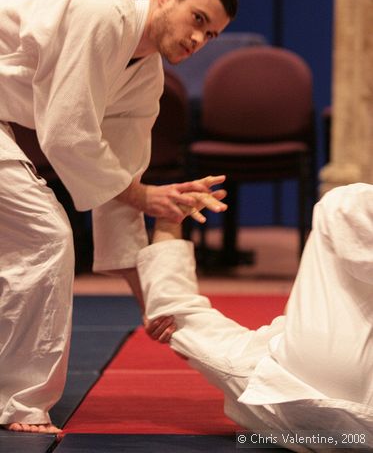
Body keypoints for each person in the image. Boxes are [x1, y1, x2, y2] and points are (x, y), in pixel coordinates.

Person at [0, 0, 238, 433]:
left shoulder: (145, 79)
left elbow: (119, 192)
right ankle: (19, 402)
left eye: (210, 35)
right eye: (197, 19)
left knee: (35, 238)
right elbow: (67, 136)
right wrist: (146, 195)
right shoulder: (102, 13)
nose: (198, 40)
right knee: (44, 237)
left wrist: (148, 300)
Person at [139, 183, 373, 452]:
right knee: (340, 204)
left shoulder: (256, 373)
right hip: (325, 383)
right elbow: (174, 315)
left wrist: (168, 222)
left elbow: (173, 314)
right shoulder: (292, 354)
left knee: (342, 206)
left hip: (327, 417)